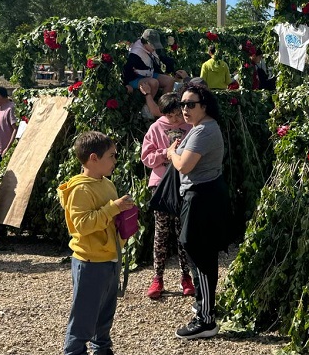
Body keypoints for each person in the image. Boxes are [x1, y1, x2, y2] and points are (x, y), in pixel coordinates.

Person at [58, 131, 135, 355]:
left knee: (105, 312)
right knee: (84, 314)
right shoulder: (81, 189)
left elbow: (108, 217)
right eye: (112, 156)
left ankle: (102, 348)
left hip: (109, 257)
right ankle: (74, 351)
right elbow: (81, 225)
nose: (115, 160)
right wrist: (114, 208)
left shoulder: (106, 183)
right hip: (90, 261)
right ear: (94, 158)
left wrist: (124, 219)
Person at [166, 83, 230, 339]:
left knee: (200, 254)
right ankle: (204, 305)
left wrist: (171, 152)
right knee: (198, 252)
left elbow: (184, 164)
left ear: (205, 106)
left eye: (190, 104)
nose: (185, 109)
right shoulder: (199, 128)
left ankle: (206, 319)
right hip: (201, 195)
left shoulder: (205, 130)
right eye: (182, 104)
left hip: (203, 197)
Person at [140, 93, 194, 300]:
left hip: (184, 184)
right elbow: (146, 158)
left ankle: (186, 277)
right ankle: (158, 278)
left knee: (183, 232)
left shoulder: (191, 127)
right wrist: (166, 152)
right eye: (170, 116)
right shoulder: (155, 128)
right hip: (161, 186)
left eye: (178, 115)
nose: (175, 120)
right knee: (161, 233)